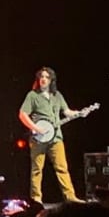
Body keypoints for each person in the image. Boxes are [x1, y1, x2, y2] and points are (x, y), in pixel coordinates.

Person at [18, 67, 85, 204]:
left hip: (56, 137)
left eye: (47, 77)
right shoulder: (32, 95)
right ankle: (36, 200)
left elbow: (66, 112)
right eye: (41, 76)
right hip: (38, 139)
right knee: (37, 170)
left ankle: (70, 197)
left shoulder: (57, 96)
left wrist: (79, 113)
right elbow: (22, 114)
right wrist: (35, 128)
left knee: (62, 168)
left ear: (51, 80)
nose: (43, 79)